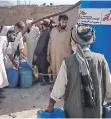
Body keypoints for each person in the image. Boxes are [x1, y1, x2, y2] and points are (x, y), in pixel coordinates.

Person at [46, 24, 111, 118]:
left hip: (73, 112)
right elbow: (109, 86)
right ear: (90, 42)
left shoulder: (68, 62)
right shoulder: (100, 59)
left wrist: (50, 105)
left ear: (74, 42)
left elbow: (58, 88)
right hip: (95, 112)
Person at [47, 14, 71, 83]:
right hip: (54, 57)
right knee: (54, 72)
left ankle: (64, 89)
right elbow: (50, 43)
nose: (64, 23)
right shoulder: (53, 31)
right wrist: (48, 54)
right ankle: (55, 88)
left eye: (66, 22)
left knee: (64, 73)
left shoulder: (69, 31)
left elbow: (73, 44)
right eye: (63, 21)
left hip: (64, 58)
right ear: (59, 21)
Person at [0, 29, 17, 103]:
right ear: (9, 34)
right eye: (13, 35)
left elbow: (10, 54)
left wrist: (15, 64)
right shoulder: (2, 39)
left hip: (1, 61)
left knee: (1, 78)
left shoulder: (8, 43)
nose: (14, 37)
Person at [34, 19, 51, 85]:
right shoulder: (47, 32)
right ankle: (46, 80)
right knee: (44, 67)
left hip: (42, 53)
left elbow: (41, 45)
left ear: (43, 25)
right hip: (45, 53)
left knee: (43, 67)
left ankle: (46, 81)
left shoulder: (45, 33)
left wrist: (36, 54)